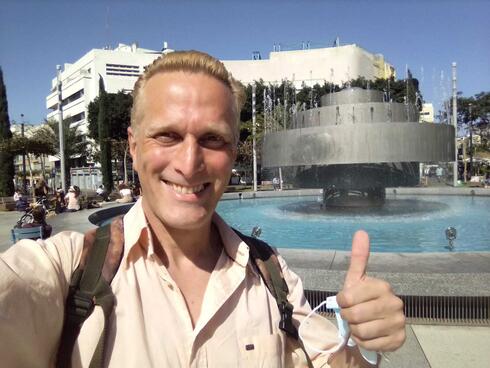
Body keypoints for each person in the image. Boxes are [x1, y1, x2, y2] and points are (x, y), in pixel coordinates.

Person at [0, 51, 405, 367]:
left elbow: (330, 362)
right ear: (134, 146)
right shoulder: (69, 270)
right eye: (168, 136)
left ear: (232, 152)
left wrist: (364, 343)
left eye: (212, 139)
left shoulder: (271, 275)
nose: (189, 163)